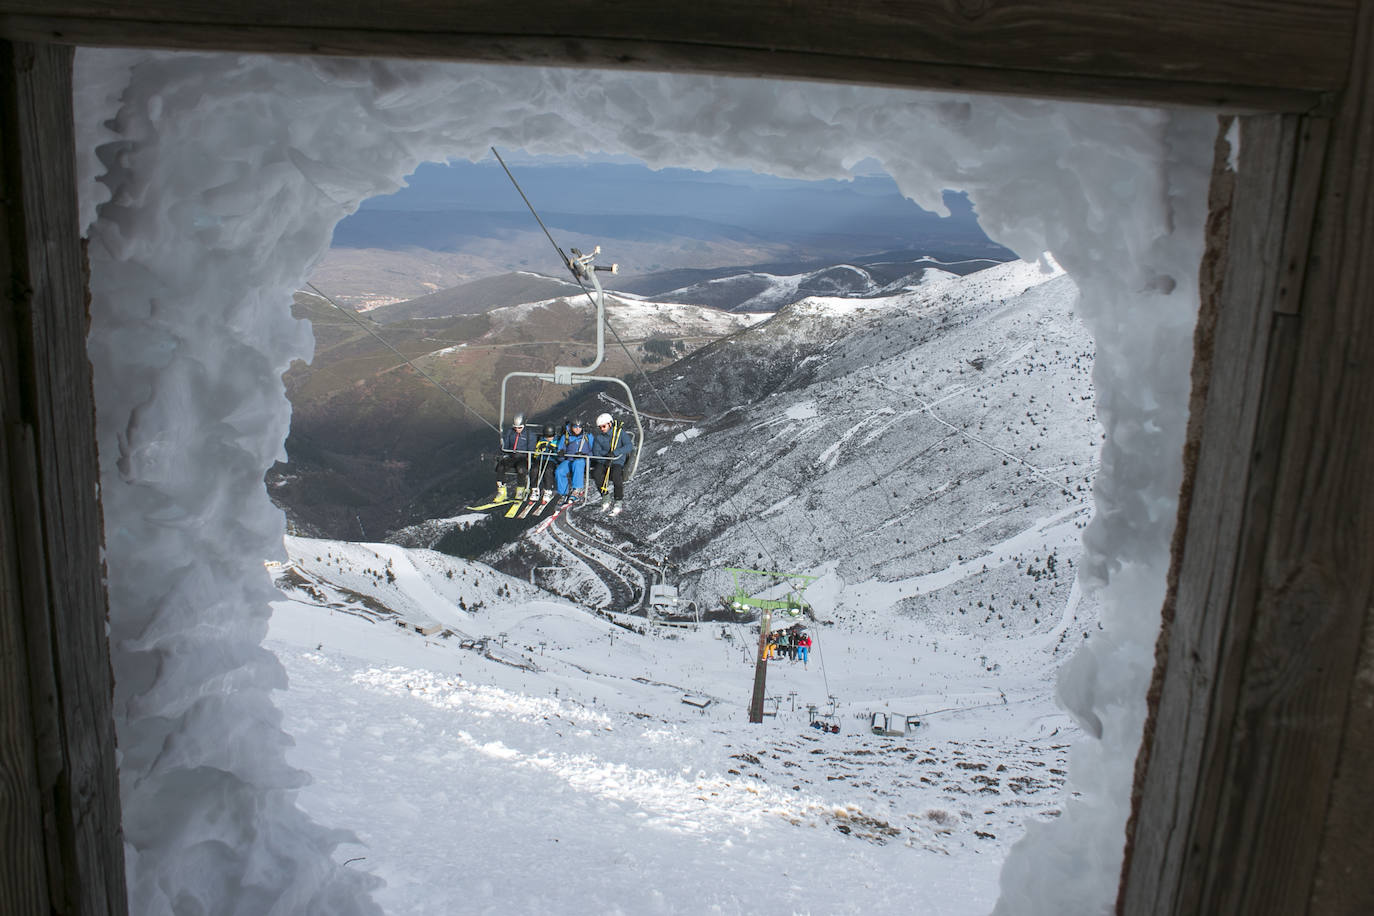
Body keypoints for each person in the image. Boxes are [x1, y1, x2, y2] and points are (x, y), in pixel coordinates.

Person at [591, 411, 635, 515]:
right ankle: (605, 495)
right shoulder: (599, 438)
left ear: (610, 424)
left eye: (604, 426)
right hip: (604, 461)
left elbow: (629, 446)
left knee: (616, 476)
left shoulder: (620, 434)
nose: (602, 429)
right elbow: (596, 451)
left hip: (617, 461)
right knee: (597, 474)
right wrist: (606, 457)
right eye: (600, 427)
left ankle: (618, 500)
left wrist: (615, 453)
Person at [492, 413, 534, 500]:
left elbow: (531, 449)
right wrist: (503, 453)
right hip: (512, 456)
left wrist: (524, 454)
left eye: (520, 427)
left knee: (521, 469)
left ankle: (520, 490)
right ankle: (502, 491)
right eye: (515, 427)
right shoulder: (511, 433)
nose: (517, 429)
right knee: (500, 467)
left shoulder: (529, 435)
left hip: (523, 457)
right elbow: (505, 445)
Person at [554, 418, 594, 503]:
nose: (577, 429)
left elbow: (593, 450)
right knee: (559, 471)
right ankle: (563, 493)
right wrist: (561, 455)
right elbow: (560, 451)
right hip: (569, 459)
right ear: (571, 427)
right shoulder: (566, 436)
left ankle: (577, 489)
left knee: (577, 462)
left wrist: (586, 455)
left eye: (579, 427)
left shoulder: (587, 436)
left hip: (583, 460)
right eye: (575, 427)